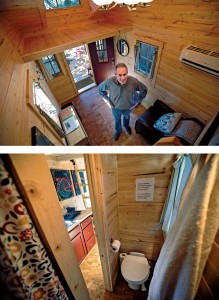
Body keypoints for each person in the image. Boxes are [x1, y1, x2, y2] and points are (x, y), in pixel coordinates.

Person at [98, 63, 148, 141]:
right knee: (117, 121)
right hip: (115, 108)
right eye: (119, 75)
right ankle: (118, 131)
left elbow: (144, 90)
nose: (123, 78)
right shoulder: (109, 82)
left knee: (127, 118)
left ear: (127, 73)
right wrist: (108, 100)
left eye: (125, 74)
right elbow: (100, 89)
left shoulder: (134, 82)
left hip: (128, 108)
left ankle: (126, 126)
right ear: (115, 74)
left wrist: (137, 102)